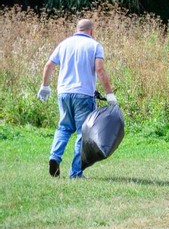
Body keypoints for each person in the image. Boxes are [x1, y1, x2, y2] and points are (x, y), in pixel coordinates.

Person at [37, 19, 117, 179]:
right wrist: (109, 94)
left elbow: (48, 66)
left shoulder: (65, 44)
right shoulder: (95, 46)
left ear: (77, 29)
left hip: (64, 93)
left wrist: (45, 86)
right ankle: (75, 172)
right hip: (84, 95)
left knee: (64, 128)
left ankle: (54, 156)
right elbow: (100, 69)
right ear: (91, 31)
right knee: (83, 133)